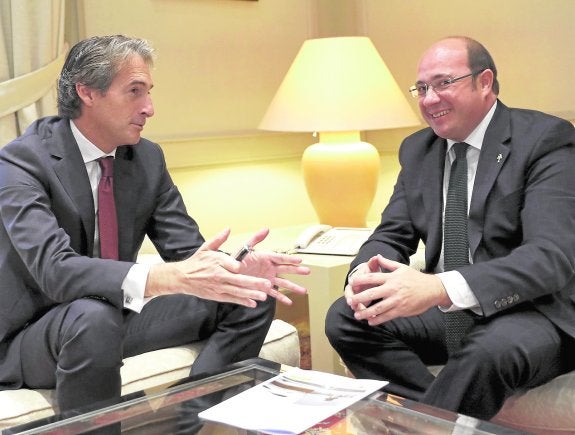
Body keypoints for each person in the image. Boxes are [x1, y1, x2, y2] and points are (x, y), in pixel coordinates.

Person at [0, 35, 310, 416]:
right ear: (87, 92)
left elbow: (190, 256)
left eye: (148, 92)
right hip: (34, 333)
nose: (149, 108)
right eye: (135, 91)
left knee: (248, 293)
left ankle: (190, 422)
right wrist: (164, 278)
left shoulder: (145, 158)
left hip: (114, 315)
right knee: (92, 318)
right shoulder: (21, 162)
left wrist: (235, 268)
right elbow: (55, 271)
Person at [325, 35, 575, 420]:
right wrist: (365, 277)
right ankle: (439, 421)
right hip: (450, 311)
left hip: (536, 310)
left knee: (487, 351)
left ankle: (421, 424)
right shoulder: (418, 149)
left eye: (444, 83)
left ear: (485, 82)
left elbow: (549, 257)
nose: (429, 99)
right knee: (347, 317)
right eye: (422, 88)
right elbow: (392, 233)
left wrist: (439, 286)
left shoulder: (545, 139)